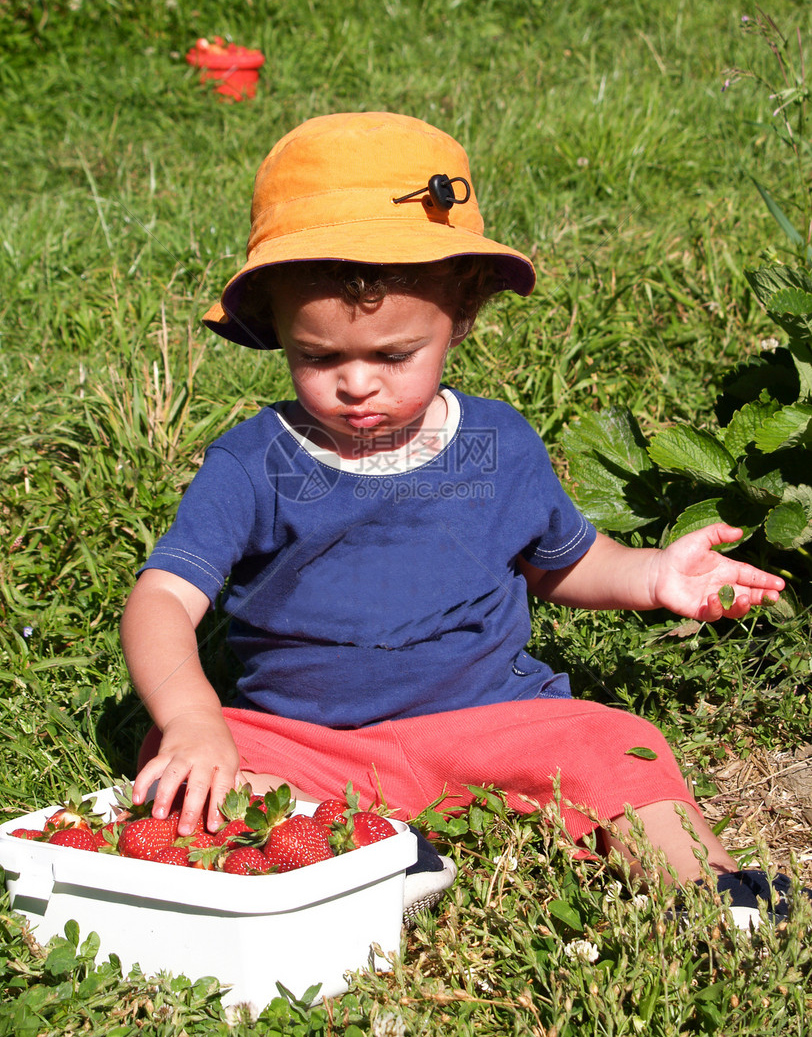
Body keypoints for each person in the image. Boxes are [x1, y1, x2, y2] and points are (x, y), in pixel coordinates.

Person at [121, 111, 796, 926]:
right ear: (279, 331)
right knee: (180, 758)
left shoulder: (497, 444)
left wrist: (652, 574)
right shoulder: (255, 461)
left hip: (491, 721)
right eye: (319, 357)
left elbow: (558, 562)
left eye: (393, 355)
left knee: (616, 742)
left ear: (462, 314)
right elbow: (162, 598)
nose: (356, 384)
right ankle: (372, 853)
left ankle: (710, 891)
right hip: (309, 739)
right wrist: (193, 718)